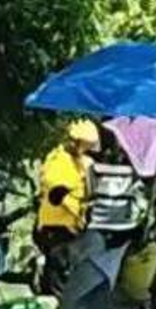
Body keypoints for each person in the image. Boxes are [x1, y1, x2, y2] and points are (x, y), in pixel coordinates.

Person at [35, 119, 101, 295]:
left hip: (70, 228)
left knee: (68, 273)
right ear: (76, 141)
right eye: (86, 145)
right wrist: (81, 214)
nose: (88, 149)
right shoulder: (58, 160)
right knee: (58, 277)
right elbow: (58, 193)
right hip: (56, 227)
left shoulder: (80, 162)